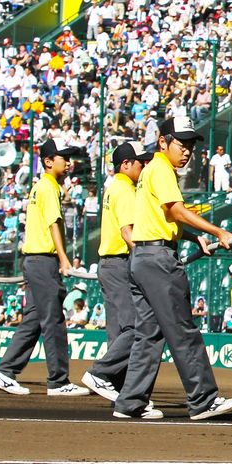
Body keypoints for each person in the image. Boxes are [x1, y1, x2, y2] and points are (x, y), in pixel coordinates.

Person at [113, 114, 232, 421]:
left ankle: (130, 401)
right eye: (181, 145)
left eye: (190, 146)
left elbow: (162, 217)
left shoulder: (150, 171)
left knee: (148, 334)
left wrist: (194, 238)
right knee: (183, 330)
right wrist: (217, 232)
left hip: (142, 258)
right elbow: (176, 210)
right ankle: (203, 399)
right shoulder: (161, 169)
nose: (187, 151)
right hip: (159, 260)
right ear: (163, 142)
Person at [0, 139, 92, 397]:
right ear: (48, 161)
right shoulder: (48, 187)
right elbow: (54, 223)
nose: (68, 162)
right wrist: (63, 258)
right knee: (54, 320)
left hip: (33, 261)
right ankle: (58, 381)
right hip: (43, 261)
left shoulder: (42, 186)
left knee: (34, 319)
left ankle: (5, 371)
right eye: (63, 158)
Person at [80, 140, 154, 402]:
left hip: (108, 264)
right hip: (120, 263)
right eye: (140, 162)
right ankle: (100, 373)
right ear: (125, 164)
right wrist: (145, 257)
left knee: (119, 331)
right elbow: (127, 232)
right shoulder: (125, 189)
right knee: (136, 327)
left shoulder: (114, 187)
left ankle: (115, 385)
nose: (144, 166)